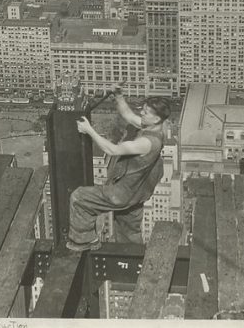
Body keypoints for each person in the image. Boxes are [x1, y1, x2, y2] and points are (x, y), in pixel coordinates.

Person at [66, 84, 171, 251]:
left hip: (122, 193)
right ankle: (132, 259)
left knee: (79, 198)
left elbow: (112, 150)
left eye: (146, 112)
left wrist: (89, 131)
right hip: (137, 194)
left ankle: (85, 240)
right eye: (143, 109)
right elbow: (128, 115)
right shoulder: (156, 128)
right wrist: (119, 96)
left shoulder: (147, 142)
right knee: (128, 232)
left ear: (156, 118)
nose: (141, 113)